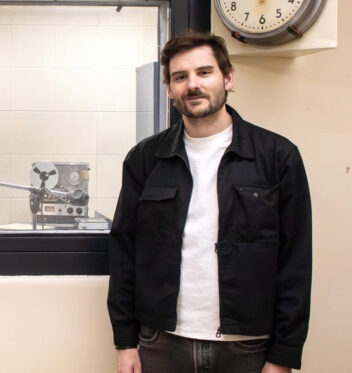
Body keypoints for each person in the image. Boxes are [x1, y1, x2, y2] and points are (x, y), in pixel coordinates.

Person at [107, 32, 311, 373]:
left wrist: (283, 356)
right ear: (170, 90)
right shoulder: (146, 159)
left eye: (204, 72)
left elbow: (295, 262)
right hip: (162, 343)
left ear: (228, 77)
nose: (193, 85)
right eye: (180, 77)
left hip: (247, 346)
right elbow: (124, 252)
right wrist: (125, 341)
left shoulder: (278, 157)